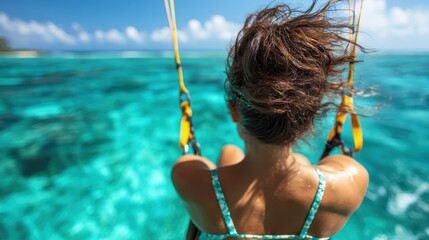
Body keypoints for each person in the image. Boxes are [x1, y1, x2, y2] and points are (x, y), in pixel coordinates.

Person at [171, 1, 369, 239]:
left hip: (226, 197)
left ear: (234, 110)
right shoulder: (351, 183)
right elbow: (328, 166)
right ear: (311, 116)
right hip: (302, 190)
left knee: (229, 151)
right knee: (300, 161)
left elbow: (191, 161)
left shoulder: (187, 179)